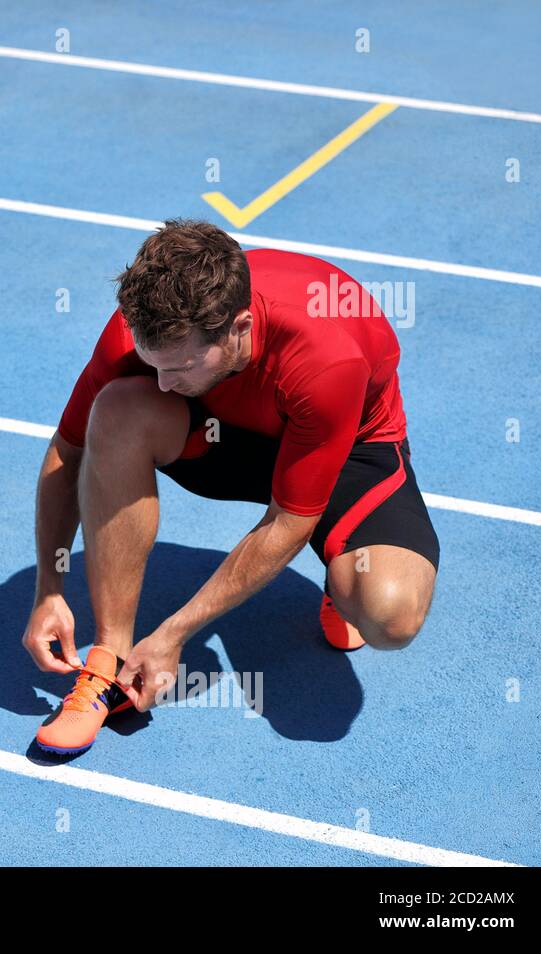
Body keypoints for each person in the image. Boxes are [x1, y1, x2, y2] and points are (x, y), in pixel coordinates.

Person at [24, 219, 440, 755]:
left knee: (390, 616)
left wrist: (174, 633)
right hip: (219, 433)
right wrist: (49, 588)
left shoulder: (326, 358)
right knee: (118, 409)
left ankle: (344, 580)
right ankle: (106, 662)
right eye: (153, 364)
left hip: (343, 447)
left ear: (240, 327)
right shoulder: (143, 336)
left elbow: (289, 521)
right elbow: (69, 449)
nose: (162, 383)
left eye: (178, 367)